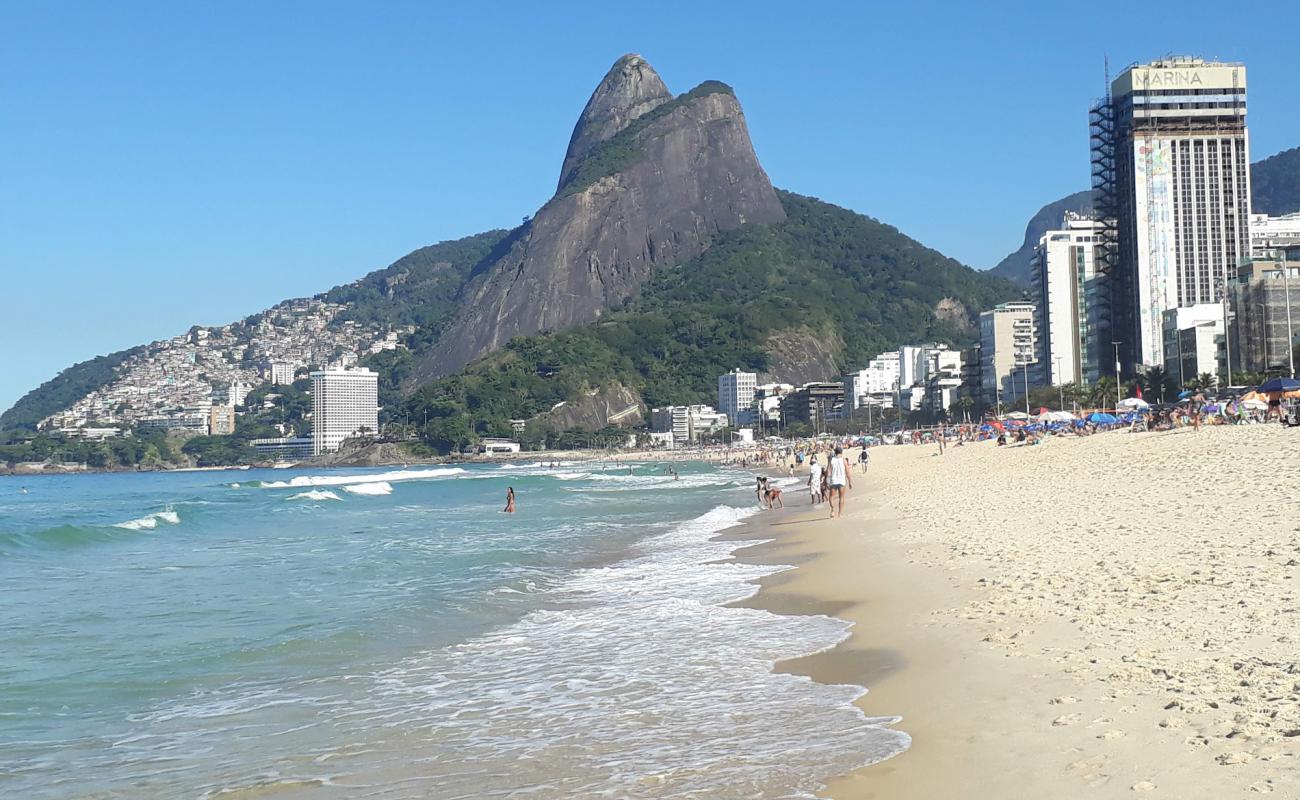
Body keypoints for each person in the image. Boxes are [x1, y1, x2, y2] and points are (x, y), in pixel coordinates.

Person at [827, 446, 852, 518]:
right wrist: (850, 482)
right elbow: (847, 472)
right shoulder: (844, 460)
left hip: (833, 481)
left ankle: (832, 509)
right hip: (841, 481)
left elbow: (827, 471)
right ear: (841, 452)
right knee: (841, 497)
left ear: (835, 452)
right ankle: (840, 514)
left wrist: (825, 480)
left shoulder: (831, 460)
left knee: (831, 497)